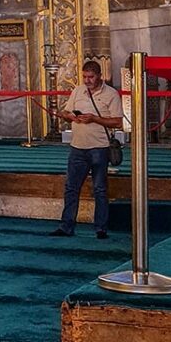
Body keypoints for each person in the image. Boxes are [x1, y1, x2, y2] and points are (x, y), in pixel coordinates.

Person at [49, 59, 123, 240]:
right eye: (84, 77)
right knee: (71, 188)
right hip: (77, 148)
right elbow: (66, 112)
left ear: (99, 76)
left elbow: (118, 121)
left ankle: (101, 228)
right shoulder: (77, 91)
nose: (87, 80)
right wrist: (71, 117)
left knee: (99, 189)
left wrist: (94, 119)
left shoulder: (111, 94)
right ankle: (66, 226)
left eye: (91, 77)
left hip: (99, 147)